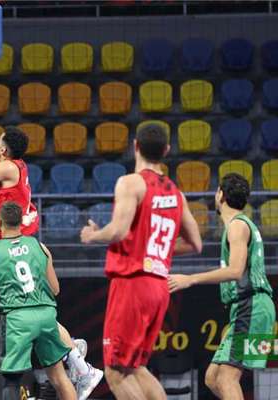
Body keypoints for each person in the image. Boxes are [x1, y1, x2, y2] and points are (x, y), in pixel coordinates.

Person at [0, 72, 102, 398]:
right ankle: (73, 354)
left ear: (4, 149)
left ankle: (77, 358)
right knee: (42, 316)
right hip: (27, 242)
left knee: (31, 308)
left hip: (19, 242)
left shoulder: (6, 168)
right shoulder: (12, 164)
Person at [80, 123, 203, 400]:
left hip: (133, 283)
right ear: (167, 151)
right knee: (136, 367)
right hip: (159, 287)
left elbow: (118, 231)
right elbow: (196, 243)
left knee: (114, 371)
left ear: (135, 145)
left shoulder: (131, 183)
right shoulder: (176, 193)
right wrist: (157, 252)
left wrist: (92, 235)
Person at [168, 173, 276, 400]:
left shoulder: (237, 226)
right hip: (247, 307)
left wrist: (190, 279)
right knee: (213, 377)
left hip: (252, 305)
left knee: (227, 377)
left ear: (220, 195)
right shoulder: (239, 226)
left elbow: (235, 271)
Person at [0, 201, 79, 400]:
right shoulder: (40, 246)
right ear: (21, 221)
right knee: (59, 376)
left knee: (11, 380)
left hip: (17, 319)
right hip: (46, 315)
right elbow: (55, 289)